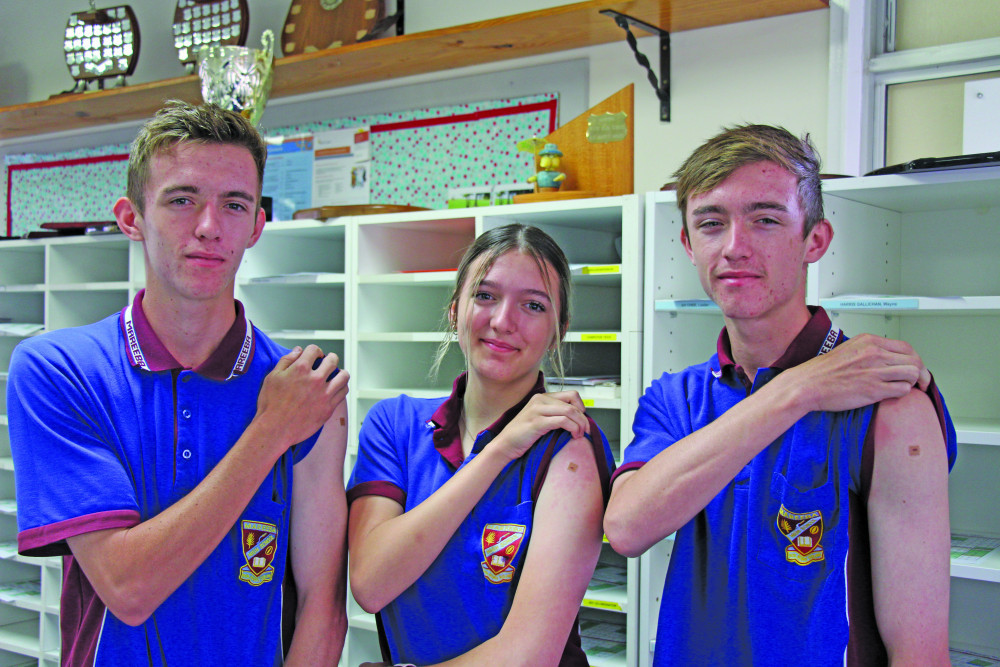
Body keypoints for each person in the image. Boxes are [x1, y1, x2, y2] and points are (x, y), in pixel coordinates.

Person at [7, 101, 350, 666]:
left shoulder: (308, 390)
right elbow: (128, 589)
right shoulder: (58, 371)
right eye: (181, 200)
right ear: (131, 217)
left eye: (234, 204)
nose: (209, 227)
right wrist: (269, 431)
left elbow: (323, 606)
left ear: (257, 225)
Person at [603, 125, 957, 665]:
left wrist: (797, 386)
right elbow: (627, 528)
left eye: (766, 219)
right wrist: (798, 388)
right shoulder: (674, 399)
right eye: (711, 224)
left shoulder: (889, 406)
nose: (734, 247)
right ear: (687, 244)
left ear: (814, 240)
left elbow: (920, 652)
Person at [347, 224, 616, 666]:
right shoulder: (393, 425)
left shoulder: (568, 444)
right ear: (455, 310)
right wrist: (497, 452)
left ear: (558, 330)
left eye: (532, 305)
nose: (502, 321)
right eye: (485, 296)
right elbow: (371, 584)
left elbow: (530, 655)